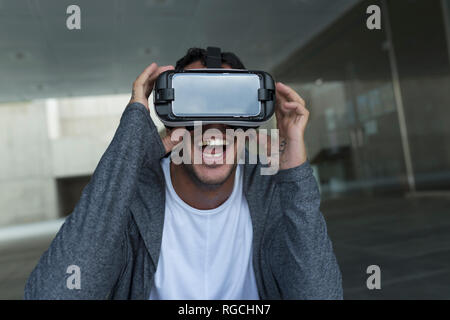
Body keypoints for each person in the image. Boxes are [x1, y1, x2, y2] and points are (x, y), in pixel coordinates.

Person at [24, 48, 343, 299]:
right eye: (196, 102)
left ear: (248, 124)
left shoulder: (271, 191)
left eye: (230, 103)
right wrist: (135, 136)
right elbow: (55, 293)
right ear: (171, 118)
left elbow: (320, 294)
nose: (214, 124)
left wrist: (294, 174)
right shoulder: (132, 199)